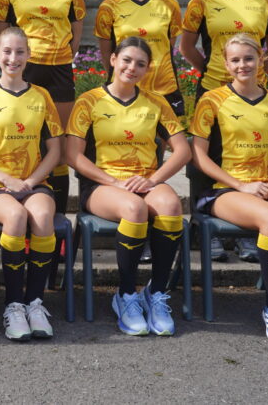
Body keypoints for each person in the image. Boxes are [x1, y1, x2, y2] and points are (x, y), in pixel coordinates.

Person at [190, 34, 268, 346]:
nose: (242, 65)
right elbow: (199, 156)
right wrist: (241, 185)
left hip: (265, 185)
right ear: (225, 63)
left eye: (249, 58)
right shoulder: (212, 101)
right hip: (223, 190)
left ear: (261, 60)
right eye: (235, 60)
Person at [65, 37, 190, 337]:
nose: (132, 68)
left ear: (148, 69)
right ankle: (125, 295)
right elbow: (72, 155)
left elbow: (183, 151)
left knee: (171, 205)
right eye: (127, 60)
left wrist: (153, 180)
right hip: (102, 185)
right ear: (113, 60)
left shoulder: (156, 102)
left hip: (144, 179)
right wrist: (115, 182)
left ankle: (156, 293)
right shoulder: (90, 101)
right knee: (134, 208)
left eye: (140, 64)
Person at [180, 0, 268, 263]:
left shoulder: (266, 1)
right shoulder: (202, 0)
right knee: (204, 160)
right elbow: (186, 47)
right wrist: (215, 70)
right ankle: (204, 230)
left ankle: (247, 234)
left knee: (254, 154)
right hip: (212, 90)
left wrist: (251, 74)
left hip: (255, 95)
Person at [0, 28, 63, 341]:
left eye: (20, 52)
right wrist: (6, 179)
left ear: (29, 55)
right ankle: (13, 305)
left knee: (43, 218)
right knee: (16, 218)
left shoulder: (42, 96)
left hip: (34, 183)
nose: (13, 58)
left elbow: (56, 150)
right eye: (7, 51)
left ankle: (34, 303)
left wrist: (31, 181)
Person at [0, 0, 83, 219]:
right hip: (24, 71)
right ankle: (18, 210)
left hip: (58, 71)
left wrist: (67, 52)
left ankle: (53, 222)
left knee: (57, 147)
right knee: (24, 140)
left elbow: (77, 24)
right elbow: (1, 31)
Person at [95, 0, 184, 118]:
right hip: (125, 90)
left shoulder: (171, 5)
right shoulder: (109, 7)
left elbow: (168, 47)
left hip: (163, 89)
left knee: (167, 145)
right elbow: (107, 54)